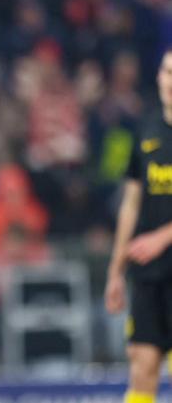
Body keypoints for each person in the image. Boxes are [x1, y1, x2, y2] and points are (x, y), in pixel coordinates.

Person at [104, 48, 172, 403]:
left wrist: (163, 236)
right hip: (148, 273)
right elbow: (130, 206)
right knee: (142, 365)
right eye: (167, 72)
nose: (171, 81)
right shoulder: (144, 130)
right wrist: (116, 272)